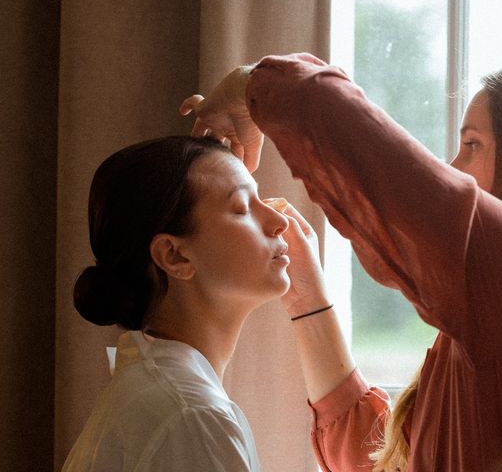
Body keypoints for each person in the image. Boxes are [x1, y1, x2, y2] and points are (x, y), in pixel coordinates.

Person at [180, 53, 502, 471]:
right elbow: (383, 461)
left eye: (473, 145)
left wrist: (250, 85)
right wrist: (308, 300)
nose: (453, 168)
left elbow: (362, 144)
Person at [63, 135, 317, 471]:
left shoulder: (160, 395)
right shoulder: (192, 417)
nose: (279, 222)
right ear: (174, 254)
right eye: (242, 207)